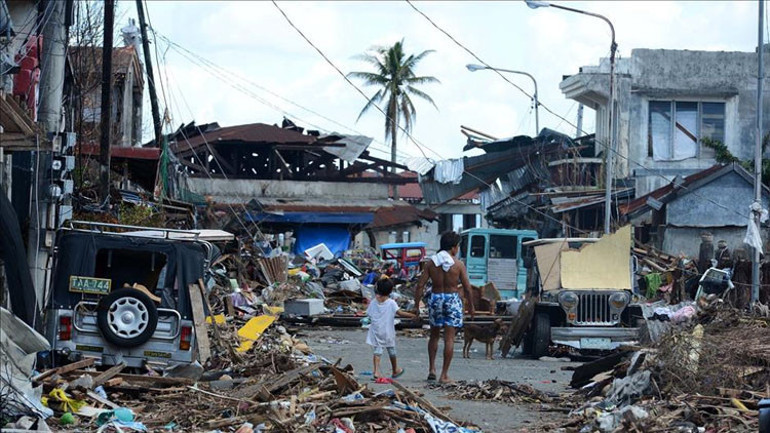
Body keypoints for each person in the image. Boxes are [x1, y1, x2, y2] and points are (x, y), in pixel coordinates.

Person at [413, 231, 475, 384]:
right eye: (458, 246)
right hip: (452, 299)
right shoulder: (458, 264)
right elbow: (467, 288)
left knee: (434, 336)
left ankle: (432, 369)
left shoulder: (431, 263)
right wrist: (471, 306)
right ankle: (444, 375)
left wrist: (416, 305)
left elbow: (420, 285)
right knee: (449, 338)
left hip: (435, 298)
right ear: (453, 248)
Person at [366, 277, 416, 380]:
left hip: (376, 330)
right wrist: (412, 316)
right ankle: (395, 369)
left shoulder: (373, 302)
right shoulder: (391, 303)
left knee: (378, 351)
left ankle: (376, 371)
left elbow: (369, 315)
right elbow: (400, 313)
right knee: (391, 350)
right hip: (387, 331)